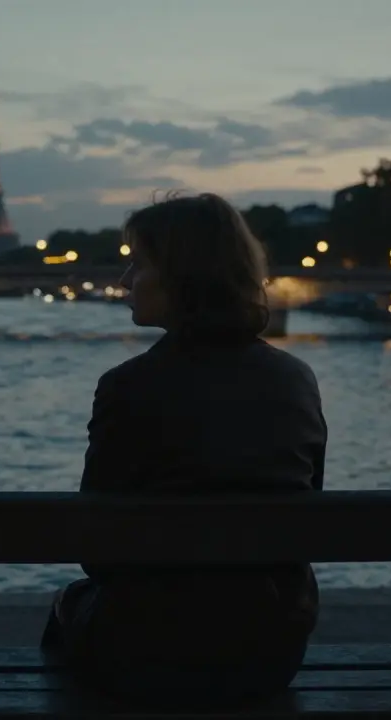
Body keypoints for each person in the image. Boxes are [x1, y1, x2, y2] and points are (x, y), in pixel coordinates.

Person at [42, 192, 327, 704]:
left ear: (181, 279)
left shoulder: (128, 386)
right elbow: (305, 511)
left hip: (153, 647)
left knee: (67, 609)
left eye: (138, 264)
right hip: (271, 649)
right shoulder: (296, 379)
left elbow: (96, 548)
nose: (124, 280)